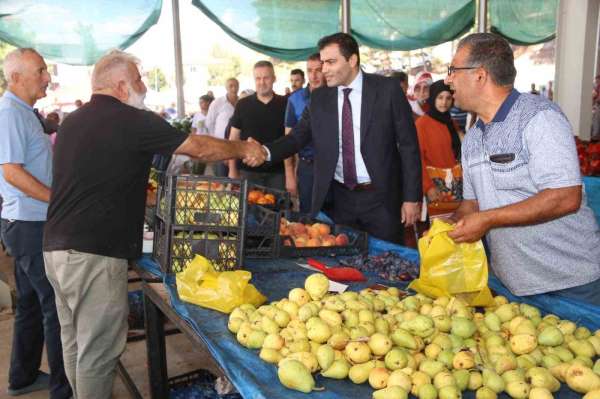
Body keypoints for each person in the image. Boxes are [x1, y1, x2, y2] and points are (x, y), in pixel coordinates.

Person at [42, 50, 265, 399]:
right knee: (98, 354)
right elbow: (200, 148)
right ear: (120, 86)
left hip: (56, 249)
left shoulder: (73, 120)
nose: (144, 87)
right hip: (93, 253)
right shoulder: (131, 119)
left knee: (75, 343)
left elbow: (97, 179)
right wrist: (244, 147)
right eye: (139, 80)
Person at [445, 33, 600, 302]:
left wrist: (487, 219)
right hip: (512, 282)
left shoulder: (539, 118)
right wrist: (448, 227)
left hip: (569, 282)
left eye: (453, 70)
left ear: (480, 75)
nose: (448, 80)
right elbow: (472, 205)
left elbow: (566, 197)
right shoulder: (471, 138)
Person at [257, 33, 421, 244]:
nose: (324, 69)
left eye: (331, 62)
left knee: (387, 264)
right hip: (341, 200)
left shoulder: (387, 90)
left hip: (382, 199)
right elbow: (296, 138)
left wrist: (411, 198)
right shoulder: (320, 98)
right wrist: (264, 152)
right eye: (323, 62)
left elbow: (409, 146)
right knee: (345, 266)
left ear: (352, 60)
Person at [0, 48, 72, 399]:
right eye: (40, 70)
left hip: (26, 221)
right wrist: (57, 199)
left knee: (29, 304)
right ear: (15, 77)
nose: (47, 77)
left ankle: (22, 377)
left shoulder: (24, 112)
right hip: (29, 225)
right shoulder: (10, 113)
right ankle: (64, 389)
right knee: (55, 307)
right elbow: (11, 171)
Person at [228, 61, 291, 190]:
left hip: (278, 173)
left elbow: (290, 142)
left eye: (266, 78)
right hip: (248, 172)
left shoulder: (286, 104)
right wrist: (232, 169)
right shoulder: (242, 105)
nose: (262, 82)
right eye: (258, 78)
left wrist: (290, 176)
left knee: (278, 209)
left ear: (274, 78)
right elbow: (233, 139)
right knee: (249, 209)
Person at [284, 53, 325, 213]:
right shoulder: (295, 100)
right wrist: (289, 175)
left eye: (318, 70)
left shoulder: (337, 94)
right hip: (308, 167)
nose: (314, 76)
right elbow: (289, 139)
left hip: (335, 167)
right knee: (308, 216)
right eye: (310, 71)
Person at [416, 80, 463, 203]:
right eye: (440, 97)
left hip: (455, 184)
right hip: (434, 186)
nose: (444, 102)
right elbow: (416, 158)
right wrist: (428, 187)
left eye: (448, 98)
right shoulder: (421, 124)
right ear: (432, 98)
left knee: (455, 221)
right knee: (439, 221)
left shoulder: (451, 122)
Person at [205, 78, 239, 176]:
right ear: (226, 87)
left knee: (237, 177)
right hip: (221, 145)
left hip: (237, 146)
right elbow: (209, 122)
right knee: (222, 177)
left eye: (235, 85)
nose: (233, 88)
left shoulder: (242, 102)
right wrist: (215, 140)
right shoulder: (217, 103)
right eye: (230, 86)